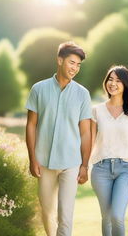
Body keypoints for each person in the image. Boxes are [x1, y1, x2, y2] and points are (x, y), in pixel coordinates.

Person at [25, 41, 92, 236]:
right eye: (72, 62)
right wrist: (32, 158)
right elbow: (31, 125)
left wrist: (84, 165)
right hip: (44, 161)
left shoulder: (83, 94)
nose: (75, 68)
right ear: (60, 60)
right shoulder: (38, 89)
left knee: (66, 214)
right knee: (47, 212)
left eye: (78, 65)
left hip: (71, 162)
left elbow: (86, 132)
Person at [90, 65, 128, 236]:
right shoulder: (96, 111)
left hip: (125, 170)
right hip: (100, 169)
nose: (113, 84)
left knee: (116, 216)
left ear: (126, 84)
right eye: (110, 79)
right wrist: (83, 165)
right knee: (106, 217)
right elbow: (90, 141)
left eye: (118, 81)